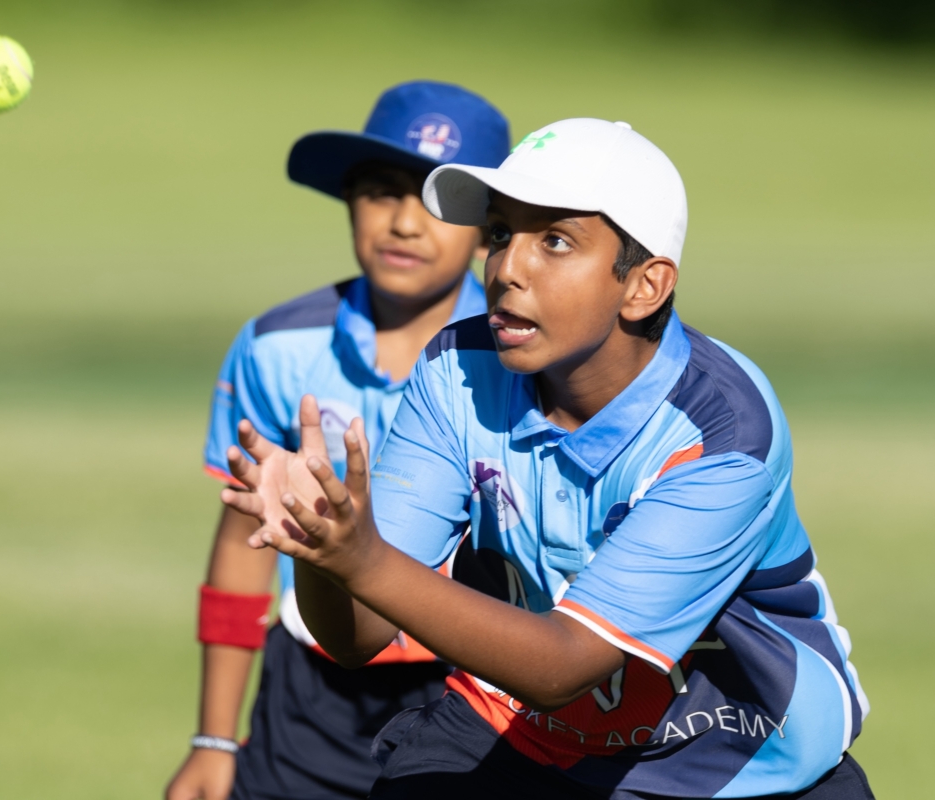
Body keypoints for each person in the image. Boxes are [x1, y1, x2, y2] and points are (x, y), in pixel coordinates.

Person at [220, 118, 874, 799]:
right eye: (499, 234)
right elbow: (356, 637)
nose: (506, 268)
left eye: (554, 241)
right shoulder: (458, 368)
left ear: (644, 286)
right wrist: (321, 547)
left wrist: (364, 560)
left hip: (741, 760)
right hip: (526, 737)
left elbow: (564, 663)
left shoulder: (721, 433)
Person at [165, 81, 511, 800]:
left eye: (438, 202)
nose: (406, 223)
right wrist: (212, 737)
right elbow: (242, 543)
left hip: (476, 681)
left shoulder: (523, 357)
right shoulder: (276, 348)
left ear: (489, 229)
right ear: (350, 202)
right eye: (383, 191)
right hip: (313, 688)